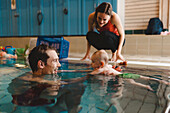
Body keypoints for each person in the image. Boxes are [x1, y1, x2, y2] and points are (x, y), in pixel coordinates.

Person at [89, 50, 170, 90]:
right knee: (144, 77)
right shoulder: (108, 66)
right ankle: (164, 82)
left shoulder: (101, 69)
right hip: (126, 74)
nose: (91, 64)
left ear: (101, 64)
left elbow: (91, 74)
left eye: (93, 62)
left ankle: (146, 86)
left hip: (123, 77)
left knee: (133, 82)